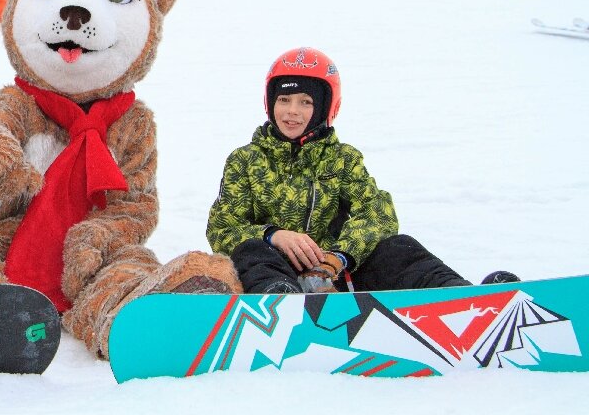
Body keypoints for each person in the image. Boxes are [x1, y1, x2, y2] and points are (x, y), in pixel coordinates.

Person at [206, 47, 518, 294]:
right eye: (284, 99)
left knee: (398, 247)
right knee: (250, 251)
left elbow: (379, 216)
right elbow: (221, 229)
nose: (292, 111)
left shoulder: (343, 159)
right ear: (269, 102)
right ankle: (282, 306)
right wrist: (273, 236)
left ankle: (459, 298)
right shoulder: (244, 160)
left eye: (305, 102)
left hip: (338, 279)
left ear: (326, 108)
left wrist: (339, 256)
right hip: (273, 275)